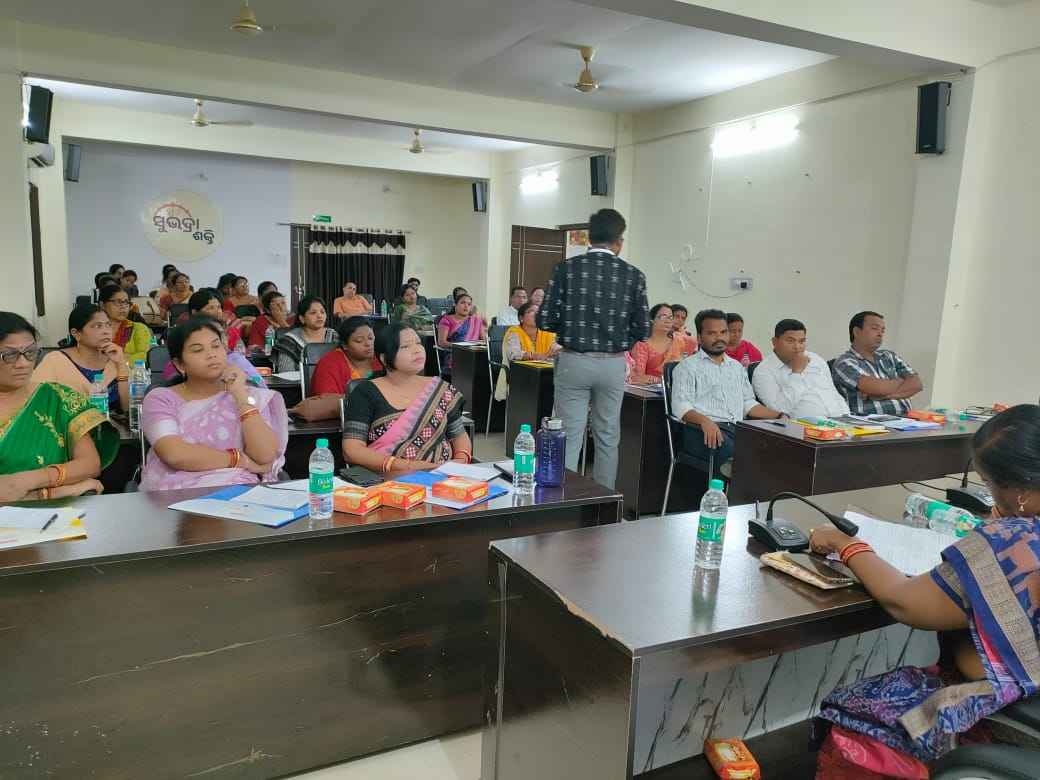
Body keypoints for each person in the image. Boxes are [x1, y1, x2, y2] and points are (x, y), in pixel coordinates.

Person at [809, 404, 1040, 777]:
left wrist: (845, 545)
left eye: (989, 484)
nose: (989, 494)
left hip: (1006, 708)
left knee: (852, 713)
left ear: (1020, 491)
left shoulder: (1013, 540)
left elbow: (903, 601)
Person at [538, 208, 648, 490]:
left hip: (574, 360)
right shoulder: (634, 276)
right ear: (619, 241)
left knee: (569, 434)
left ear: (589, 237)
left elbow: (544, 319)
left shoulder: (566, 269)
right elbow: (643, 328)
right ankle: (603, 501)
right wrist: (618, 340)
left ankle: (562, 499)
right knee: (608, 435)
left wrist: (570, 327)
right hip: (613, 364)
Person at [141, 317, 287, 491]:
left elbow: (264, 456)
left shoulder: (248, 395)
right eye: (198, 350)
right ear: (180, 365)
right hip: (177, 493)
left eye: (216, 346)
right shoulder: (161, 399)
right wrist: (239, 460)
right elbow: (175, 454)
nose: (211, 354)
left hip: (241, 491)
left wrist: (240, 395)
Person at [0, 312, 117, 501]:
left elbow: (89, 463)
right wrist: (51, 493)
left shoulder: (58, 398)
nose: (23, 364)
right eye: (10, 355)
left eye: (30, 353)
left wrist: (27, 481)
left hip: (56, 515)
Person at [342, 322, 471, 475]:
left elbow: (459, 435)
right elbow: (352, 450)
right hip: (388, 480)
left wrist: (461, 460)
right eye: (405, 346)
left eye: (418, 343)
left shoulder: (440, 388)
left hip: (444, 477)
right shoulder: (366, 392)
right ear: (384, 358)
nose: (417, 350)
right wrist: (404, 466)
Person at [670, 309, 784, 472]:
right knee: (742, 458)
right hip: (701, 431)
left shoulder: (736, 367)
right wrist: (705, 421)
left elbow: (748, 403)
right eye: (712, 333)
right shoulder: (687, 367)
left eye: (723, 332)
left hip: (735, 430)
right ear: (700, 337)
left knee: (778, 450)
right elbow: (681, 406)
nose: (719, 338)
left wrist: (779, 416)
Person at [33, 304, 131, 414]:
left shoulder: (116, 360)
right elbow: (35, 403)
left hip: (113, 423)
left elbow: (128, 409)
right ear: (76, 334)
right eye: (97, 326)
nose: (106, 331)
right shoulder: (55, 361)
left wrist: (121, 364)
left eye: (108, 325)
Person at [752, 319, 850, 419]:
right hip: (804, 426)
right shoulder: (763, 371)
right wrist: (796, 373)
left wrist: (847, 416)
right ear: (775, 342)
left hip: (843, 420)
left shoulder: (815, 359)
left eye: (801, 341)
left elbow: (833, 393)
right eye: (790, 341)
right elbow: (780, 410)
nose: (797, 347)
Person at [161, 290, 261, 385]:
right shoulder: (182, 336)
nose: (217, 311)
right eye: (211, 308)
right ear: (195, 312)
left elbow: (258, 385)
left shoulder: (235, 357)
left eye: (219, 307)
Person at [833, 310, 923, 417]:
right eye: (874, 328)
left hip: (908, 419)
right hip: (870, 423)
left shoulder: (889, 356)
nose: (880, 334)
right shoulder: (845, 362)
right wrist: (902, 381)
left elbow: (917, 384)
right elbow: (878, 388)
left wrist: (884, 396)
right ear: (856, 332)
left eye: (883, 330)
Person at [495, 301, 560, 401]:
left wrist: (556, 350)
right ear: (521, 318)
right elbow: (514, 354)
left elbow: (557, 350)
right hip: (521, 376)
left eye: (538, 312)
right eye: (531, 311)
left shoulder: (547, 333)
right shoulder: (514, 332)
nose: (536, 314)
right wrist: (538, 356)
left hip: (546, 375)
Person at [311, 316, 385, 395]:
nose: (368, 344)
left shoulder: (382, 359)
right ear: (345, 345)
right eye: (359, 340)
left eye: (370, 338)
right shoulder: (328, 364)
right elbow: (327, 399)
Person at [272, 296, 339, 373]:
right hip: (298, 380)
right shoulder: (289, 342)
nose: (319, 316)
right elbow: (286, 373)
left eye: (322, 312)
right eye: (313, 313)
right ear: (302, 318)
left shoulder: (335, 337)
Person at [628, 303, 685, 385]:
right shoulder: (642, 345)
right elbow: (637, 377)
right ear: (652, 320)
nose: (668, 321)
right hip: (650, 390)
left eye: (670, 317)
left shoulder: (679, 341)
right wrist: (662, 381)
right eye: (663, 317)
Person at [99, 284, 152, 365]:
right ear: (102, 305)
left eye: (126, 302)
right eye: (118, 302)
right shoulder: (93, 330)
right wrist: (127, 357)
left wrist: (118, 358)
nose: (123, 306)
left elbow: (145, 356)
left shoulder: (139, 328)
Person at [436, 293, 487, 368]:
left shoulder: (476, 320)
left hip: (475, 354)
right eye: (463, 303)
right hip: (455, 356)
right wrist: (460, 347)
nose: (466, 306)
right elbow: (441, 342)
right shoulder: (446, 320)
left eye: (469, 304)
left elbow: (484, 341)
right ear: (455, 305)